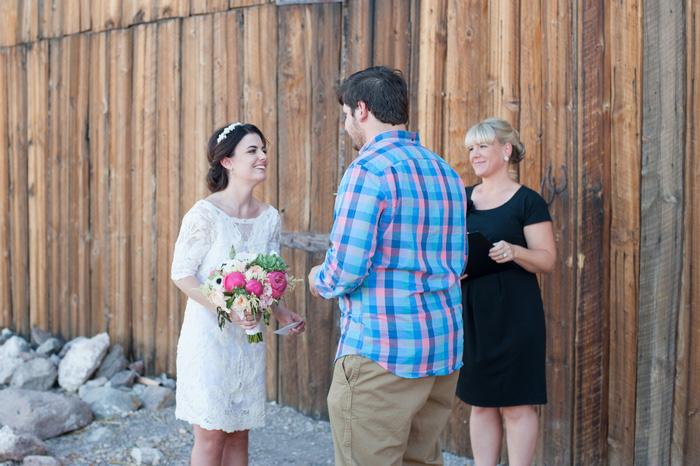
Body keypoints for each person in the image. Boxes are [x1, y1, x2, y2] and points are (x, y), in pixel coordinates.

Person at [308, 66, 467, 466]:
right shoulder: (444, 171)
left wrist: (317, 280)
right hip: (441, 350)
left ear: (361, 110)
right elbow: (457, 260)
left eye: (345, 114)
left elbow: (344, 269)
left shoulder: (368, 169)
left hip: (383, 352)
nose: (346, 125)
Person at [170, 122, 306, 466]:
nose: (263, 157)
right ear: (227, 162)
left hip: (248, 341)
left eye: (264, 150)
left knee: (240, 433)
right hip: (208, 340)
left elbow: (271, 275)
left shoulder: (270, 218)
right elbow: (181, 274)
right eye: (253, 151)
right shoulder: (204, 214)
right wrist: (224, 308)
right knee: (212, 434)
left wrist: (281, 312)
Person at [457, 117, 556, 466]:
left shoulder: (528, 201)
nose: (475, 154)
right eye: (471, 148)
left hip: (517, 314)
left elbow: (546, 260)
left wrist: (515, 251)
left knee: (516, 404)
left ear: (506, 149)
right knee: (480, 402)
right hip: (473, 313)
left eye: (482, 145)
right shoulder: (461, 199)